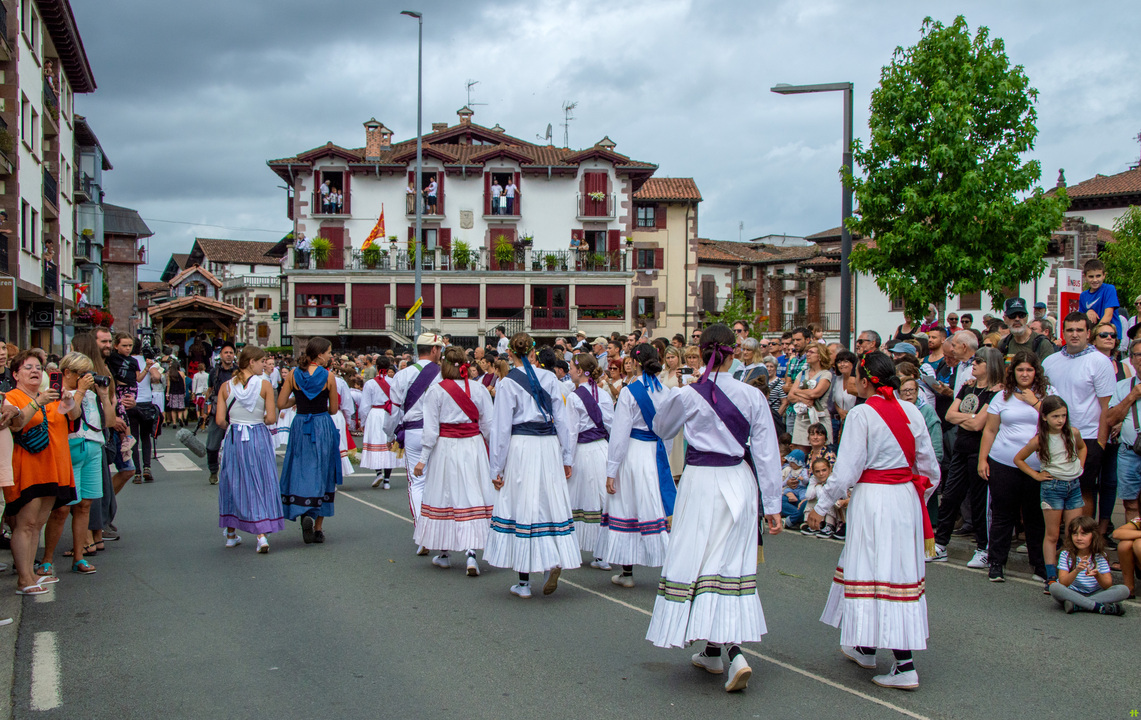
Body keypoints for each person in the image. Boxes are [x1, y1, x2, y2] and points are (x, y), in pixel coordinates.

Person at [646, 323, 782, 694]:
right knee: (728, 565)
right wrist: (773, 504)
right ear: (734, 352)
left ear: (702, 353)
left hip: (702, 482)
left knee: (701, 562)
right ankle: (713, 651)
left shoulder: (689, 394)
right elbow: (767, 452)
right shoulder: (752, 395)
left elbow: (661, 428)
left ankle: (733, 653)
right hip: (739, 481)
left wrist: (677, 392)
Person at [807, 351, 940, 690]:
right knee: (895, 569)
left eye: (855, 376)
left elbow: (845, 471)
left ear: (865, 381)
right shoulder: (912, 411)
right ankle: (866, 646)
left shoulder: (861, 414)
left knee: (876, 570)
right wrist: (916, 501)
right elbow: (930, 468)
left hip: (874, 499)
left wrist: (821, 506)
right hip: (904, 498)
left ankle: (905, 665)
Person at [484, 333, 578, 599]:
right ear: (534, 352)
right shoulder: (550, 378)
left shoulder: (507, 383)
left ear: (510, 354)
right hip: (548, 446)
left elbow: (501, 429)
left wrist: (496, 468)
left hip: (522, 447)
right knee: (548, 502)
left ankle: (524, 583)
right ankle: (551, 562)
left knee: (523, 506)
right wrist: (567, 457)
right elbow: (563, 421)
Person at [411, 346, 495, 576]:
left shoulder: (436, 391)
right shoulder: (479, 389)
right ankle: (471, 553)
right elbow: (489, 426)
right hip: (473, 447)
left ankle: (445, 553)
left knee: (445, 495)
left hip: (445, 448)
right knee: (472, 494)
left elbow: (430, 430)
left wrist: (422, 460)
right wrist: (498, 458)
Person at [5, 350, 78, 594]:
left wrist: (68, 400)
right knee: (25, 524)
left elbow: (73, 418)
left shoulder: (48, 395)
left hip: (50, 467)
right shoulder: (12, 397)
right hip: (27, 467)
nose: (35, 371)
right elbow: (16, 425)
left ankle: (30, 574)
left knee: (37, 524)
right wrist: (38, 402)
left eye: (38, 367)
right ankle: (23, 579)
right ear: (16, 374)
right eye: (28, 368)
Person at [978, 351, 1055, 582]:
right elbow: (990, 430)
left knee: (1035, 516)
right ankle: (996, 563)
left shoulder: (1049, 394)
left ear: (1036, 372)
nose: (1024, 374)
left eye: (1029, 369)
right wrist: (983, 459)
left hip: (1037, 466)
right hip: (1003, 462)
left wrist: (1035, 402)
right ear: (1013, 372)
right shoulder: (1002, 396)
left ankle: (1039, 566)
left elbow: (1058, 422)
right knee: (1002, 515)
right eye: (1020, 369)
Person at [600, 344, 673, 588]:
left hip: (633, 453)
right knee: (655, 507)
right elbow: (668, 432)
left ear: (635, 362)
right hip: (656, 453)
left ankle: (627, 572)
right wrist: (665, 458)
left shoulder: (629, 392)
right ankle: (669, 570)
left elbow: (620, 433)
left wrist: (611, 470)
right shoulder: (666, 392)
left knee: (627, 506)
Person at [1042, 313, 1116, 535]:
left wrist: (1101, 443)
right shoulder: (1050, 361)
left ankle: (1081, 543)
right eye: (1070, 330)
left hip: (1087, 437)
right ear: (1063, 332)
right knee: (1054, 489)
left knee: (1083, 490)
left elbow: (1107, 406)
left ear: (1088, 333)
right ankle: (1059, 540)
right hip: (1054, 436)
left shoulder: (1099, 361)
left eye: (1079, 330)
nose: (1074, 334)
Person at [930, 347, 1003, 568]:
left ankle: (983, 548)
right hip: (961, 449)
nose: (974, 364)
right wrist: (970, 417)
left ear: (991, 364)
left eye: (979, 361)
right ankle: (940, 544)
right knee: (950, 497)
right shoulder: (967, 386)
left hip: (980, 451)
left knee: (980, 502)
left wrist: (966, 418)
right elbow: (949, 415)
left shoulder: (996, 392)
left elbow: (979, 424)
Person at [42, 352, 112, 575]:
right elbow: (71, 415)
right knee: (62, 508)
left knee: (85, 506)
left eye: (88, 373)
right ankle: (46, 559)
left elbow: (109, 421)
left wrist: (103, 396)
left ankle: (79, 556)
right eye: (82, 373)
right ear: (67, 373)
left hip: (93, 448)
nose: (87, 378)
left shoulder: (90, 394)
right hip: (69, 449)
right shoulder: (57, 392)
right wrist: (80, 391)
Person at [1012, 395, 1087, 591]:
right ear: (1044, 417)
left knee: (1073, 532)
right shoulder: (1039, 439)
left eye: (1063, 415)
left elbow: (1082, 448)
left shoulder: (1073, 433)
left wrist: (1080, 466)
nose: (1060, 420)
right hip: (1052, 487)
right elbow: (1018, 459)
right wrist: (1036, 475)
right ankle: (1051, 576)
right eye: (1055, 416)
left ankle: (1069, 574)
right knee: (1052, 534)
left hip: (1073, 485)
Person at [216, 346, 283, 554]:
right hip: (257, 435)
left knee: (233, 481)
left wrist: (236, 423)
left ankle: (230, 534)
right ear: (251, 362)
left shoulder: (226, 387)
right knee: (260, 481)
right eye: (262, 361)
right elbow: (271, 418)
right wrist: (256, 419)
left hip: (235, 436)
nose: (264, 365)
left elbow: (220, 420)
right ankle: (261, 534)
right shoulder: (264, 385)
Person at [277, 337, 342, 545]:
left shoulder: (293, 374)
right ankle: (318, 527)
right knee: (323, 470)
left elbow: (281, 403)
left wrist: (297, 399)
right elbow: (334, 409)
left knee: (300, 468)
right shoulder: (328, 376)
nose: (330, 356)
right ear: (320, 354)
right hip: (321, 424)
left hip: (300, 424)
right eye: (329, 352)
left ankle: (303, 509)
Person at [387, 333, 445, 540]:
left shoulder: (402, 375)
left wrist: (389, 434)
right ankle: (438, 529)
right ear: (434, 349)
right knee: (438, 481)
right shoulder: (443, 374)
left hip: (413, 431)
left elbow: (393, 411)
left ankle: (423, 532)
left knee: (417, 483)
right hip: (439, 432)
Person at [566, 353, 614, 569]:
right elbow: (612, 425)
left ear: (580, 371)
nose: (569, 371)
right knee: (601, 499)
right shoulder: (604, 394)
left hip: (583, 452)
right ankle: (602, 553)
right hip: (602, 449)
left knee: (579, 497)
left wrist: (567, 459)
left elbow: (571, 432)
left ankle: (573, 548)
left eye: (571, 367)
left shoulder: (574, 397)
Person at [1107, 337, 1141, 581]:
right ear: (1132, 359)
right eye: (1138, 355)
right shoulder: (1123, 386)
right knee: (1130, 504)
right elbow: (1110, 419)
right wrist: (1132, 396)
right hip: (1129, 452)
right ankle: (1133, 557)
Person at [1050, 516, 1128, 615]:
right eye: (1075, 534)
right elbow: (1063, 583)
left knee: (1124, 590)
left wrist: (1097, 575)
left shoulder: (1100, 555)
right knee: (1054, 587)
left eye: (1084, 534)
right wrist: (1076, 570)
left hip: (1095, 593)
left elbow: (1107, 585)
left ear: (1093, 535)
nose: (1078, 538)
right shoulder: (1066, 554)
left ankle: (1078, 605)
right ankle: (1098, 607)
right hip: (1072, 592)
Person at [360, 355, 399, 489]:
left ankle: (378, 473)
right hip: (390, 413)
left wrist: (363, 422)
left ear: (376, 367)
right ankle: (387, 480)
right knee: (389, 445)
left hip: (375, 414)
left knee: (376, 443)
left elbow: (365, 406)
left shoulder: (370, 383)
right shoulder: (394, 382)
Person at [786, 342, 832, 448]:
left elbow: (815, 393)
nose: (808, 354)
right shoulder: (802, 373)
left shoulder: (826, 374)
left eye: (811, 352)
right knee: (800, 451)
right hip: (801, 418)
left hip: (819, 418)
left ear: (820, 356)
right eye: (807, 351)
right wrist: (802, 398)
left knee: (819, 451)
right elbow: (790, 396)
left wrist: (797, 391)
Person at [204, 341, 238, 485]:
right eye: (226, 352)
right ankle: (213, 471)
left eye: (231, 353)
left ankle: (235, 472)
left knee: (237, 445)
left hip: (235, 411)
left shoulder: (239, 372)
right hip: (217, 411)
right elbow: (210, 391)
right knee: (212, 444)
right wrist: (205, 411)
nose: (228, 355)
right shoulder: (214, 372)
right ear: (221, 355)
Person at [998, 297, 1054, 362]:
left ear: (1027, 318)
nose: (1017, 319)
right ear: (1005, 319)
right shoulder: (1003, 344)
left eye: (1021, 315)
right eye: (1012, 315)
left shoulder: (1042, 344)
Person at [1079, 258, 1122, 342]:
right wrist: (1088, 312)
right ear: (1085, 276)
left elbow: (1108, 315)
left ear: (1104, 276)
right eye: (1091, 276)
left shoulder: (1109, 289)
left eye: (1098, 276)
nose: (1095, 280)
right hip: (1093, 337)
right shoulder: (1083, 295)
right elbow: (1081, 319)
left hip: (1110, 335)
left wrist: (1095, 334)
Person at [165, 358, 187, 428]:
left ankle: (174, 423)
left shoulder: (170, 374)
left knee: (173, 408)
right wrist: (184, 391)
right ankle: (180, 418)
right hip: (180, 392)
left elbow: (168, 385)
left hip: (173, 392)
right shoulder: (182, 373)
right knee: (180, 407)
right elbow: (184, 384)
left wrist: (167, 393)